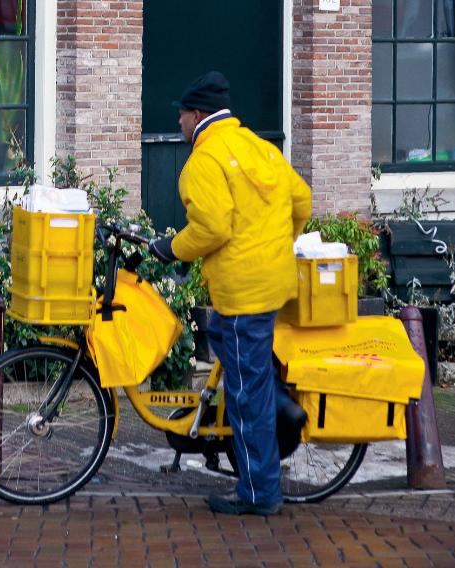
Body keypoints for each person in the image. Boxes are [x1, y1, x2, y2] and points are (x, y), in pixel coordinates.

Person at [149, 71, 312, 516]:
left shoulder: (204, 161)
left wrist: (170, 248)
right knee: (226, 342)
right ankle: (272, 403)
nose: (178, 122)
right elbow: (302, 200)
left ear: (197, 114)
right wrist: (277, 244)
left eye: (181, 114)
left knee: (246, 393)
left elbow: (212, 228)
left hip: (243, 293)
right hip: (273, 282)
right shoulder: (260, 147)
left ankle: (259, 493)